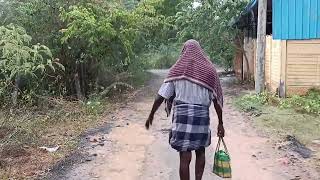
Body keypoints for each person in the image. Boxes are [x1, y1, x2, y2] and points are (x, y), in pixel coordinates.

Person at [145, 39, 224, 180]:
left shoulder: (177, 69)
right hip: (201, 117)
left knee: (184, 155)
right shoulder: (210, 71)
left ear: (184, 51)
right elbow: (217, 100)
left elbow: (161, 96)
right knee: (200, 152)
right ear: (201, 51)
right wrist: (220, 122)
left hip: (182, 117)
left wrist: (151, 115)